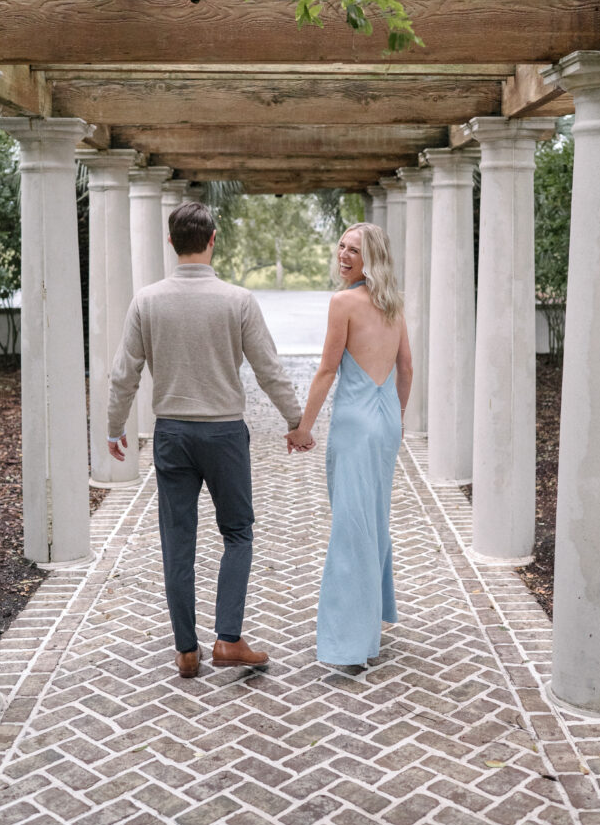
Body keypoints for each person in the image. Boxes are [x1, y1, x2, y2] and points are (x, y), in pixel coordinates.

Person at [107, 201, 314, 678]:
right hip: (224, 435)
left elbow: (124, 374)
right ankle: (228, 638)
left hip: (172, 434)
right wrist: (295, 421)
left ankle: (186, 650)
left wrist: (115, 427)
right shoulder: (237, 300)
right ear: (213, 240)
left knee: (177, 541)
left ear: (171, 242)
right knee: (238, 533)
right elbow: (268, 368)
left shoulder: (147, 301)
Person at [286, 222, 413, 665]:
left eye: (354, 250)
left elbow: (326, 370)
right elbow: (406, 368)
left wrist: (303, 428)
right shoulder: (393, 303)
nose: (343, 254)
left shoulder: (343, 303)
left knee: (351, 527)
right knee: (373, 519)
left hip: (355, 426)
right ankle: (373, 615)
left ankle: (350, 642)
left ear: (371, 258)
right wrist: (396, 417)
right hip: (385, 423)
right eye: (341, 246)